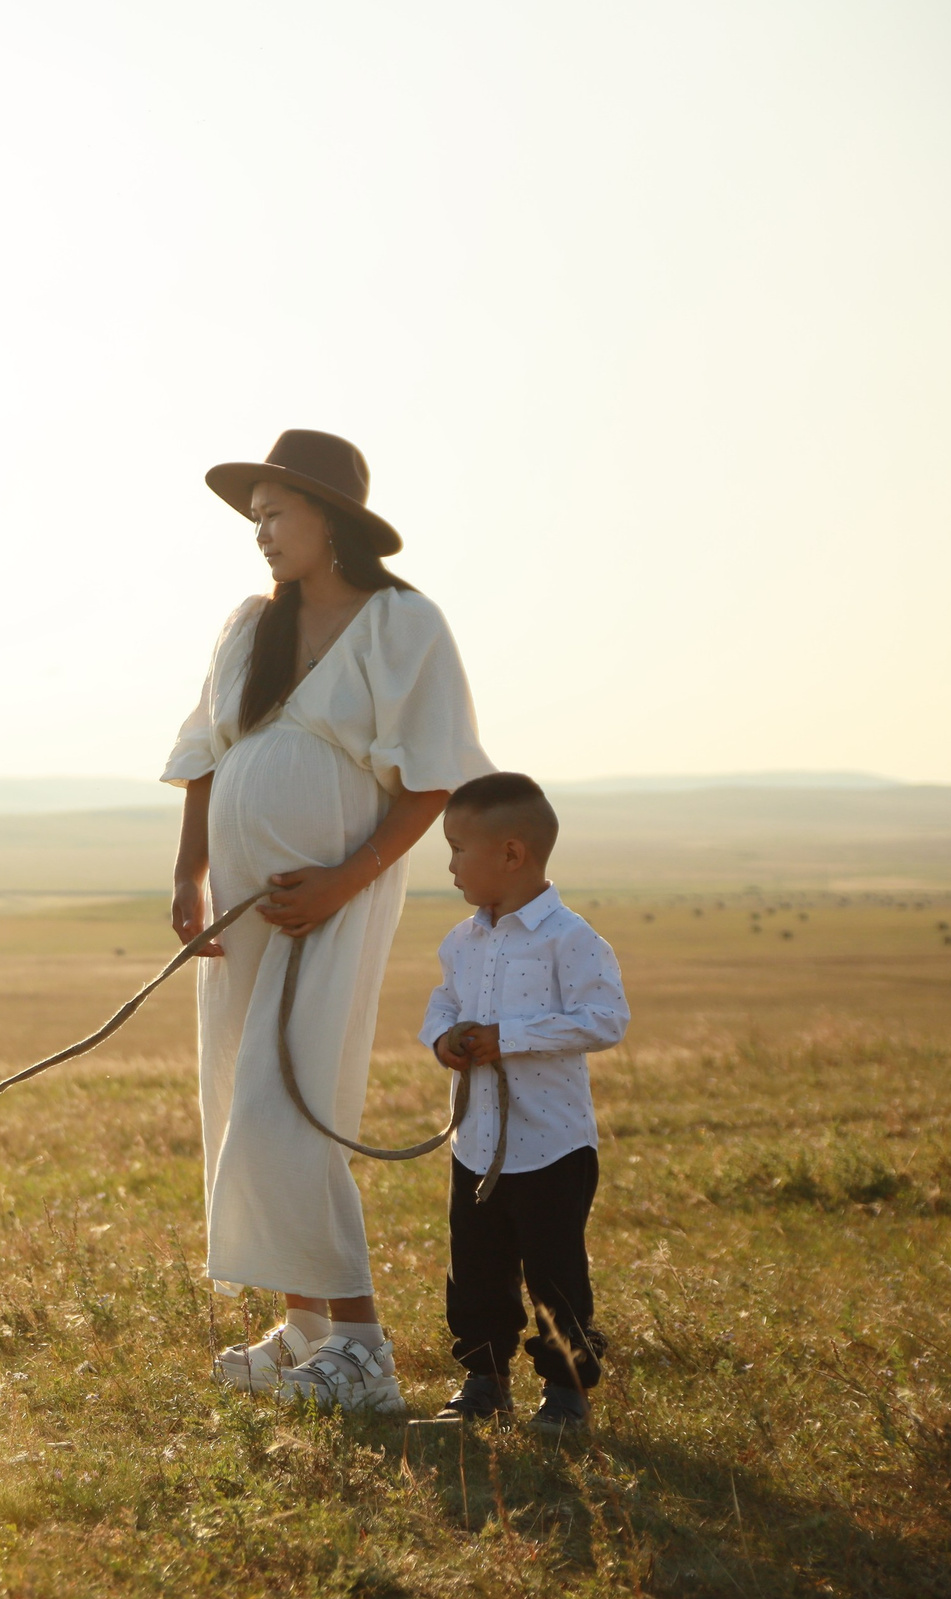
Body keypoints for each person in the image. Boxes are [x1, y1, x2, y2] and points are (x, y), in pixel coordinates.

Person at [165, 429, 492, 1415]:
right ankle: (302, 1326)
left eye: (275, 515)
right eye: (253, 518)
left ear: (329, 518)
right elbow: (204, 751)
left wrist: (343, 882)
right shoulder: (245, 624)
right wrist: (189, 872)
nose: (259, 534)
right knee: (236, 1098)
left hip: (333, 901)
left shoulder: (403, 624)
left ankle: (362, 1347)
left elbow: (430, 777)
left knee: (287, 1101)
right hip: (243, 905)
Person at [421, 772, 629, 1434]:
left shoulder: (569, 938)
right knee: (475, 1267)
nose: (448, 863)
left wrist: (509, 1038)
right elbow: (444, 1002)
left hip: (552, 1146)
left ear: (511, 854)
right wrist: (445, 1038)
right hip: (476, 1142)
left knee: (554, 1273)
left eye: (457, 847)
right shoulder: (461, 940)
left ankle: (566, 1392)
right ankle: (483, 1381)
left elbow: (606, 1018)